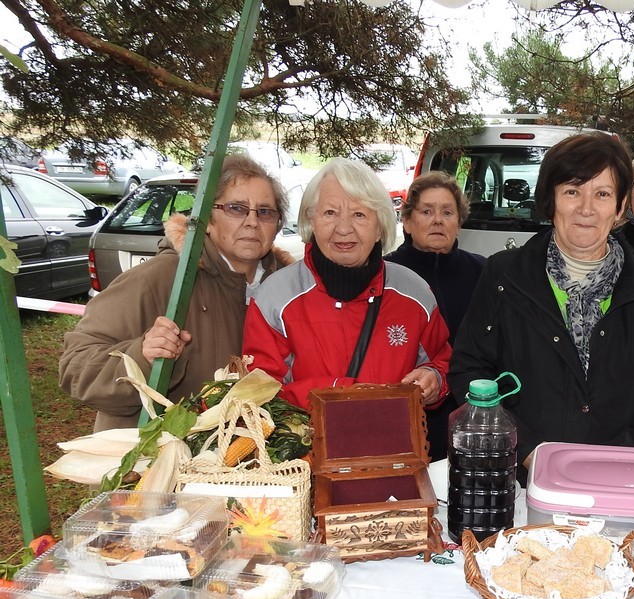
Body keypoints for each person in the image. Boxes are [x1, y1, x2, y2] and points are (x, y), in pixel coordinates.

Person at [450, 132, 634, 482]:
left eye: (602, 194)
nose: (586, 208)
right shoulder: (504, 275)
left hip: (622, 477)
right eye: (572, 191)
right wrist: (525, 450)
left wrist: (619, 455)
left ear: (620, 205)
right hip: (521, 477)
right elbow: (469, 371)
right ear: (550, 200)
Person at [59, 153, 293, 431]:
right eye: (236, 208)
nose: (252, 222)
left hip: (254, 464)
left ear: (277, 225)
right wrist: (141, 357)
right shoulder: (162, 278)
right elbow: (75, 368)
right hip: (159, 461)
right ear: (207, 219)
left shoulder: (288, 289)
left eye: (265, 212)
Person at [243, 157, 451, 411]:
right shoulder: (275, 298)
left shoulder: (414, 292)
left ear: (379, 228)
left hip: (397, 449)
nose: (344, 228)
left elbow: (443, 361)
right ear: (311, 222)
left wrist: (434, 379)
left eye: (359, 214)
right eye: (330, 213)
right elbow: (260, 390)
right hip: (307, 448)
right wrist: (341, 394)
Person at [385, 171, 485, 460]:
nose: (438, 220)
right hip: (408, 414)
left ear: (459, 222)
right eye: (426, 211)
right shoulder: (386, 274)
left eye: (447, 212)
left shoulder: (483, 272)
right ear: (406, 221)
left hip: (471, 412)